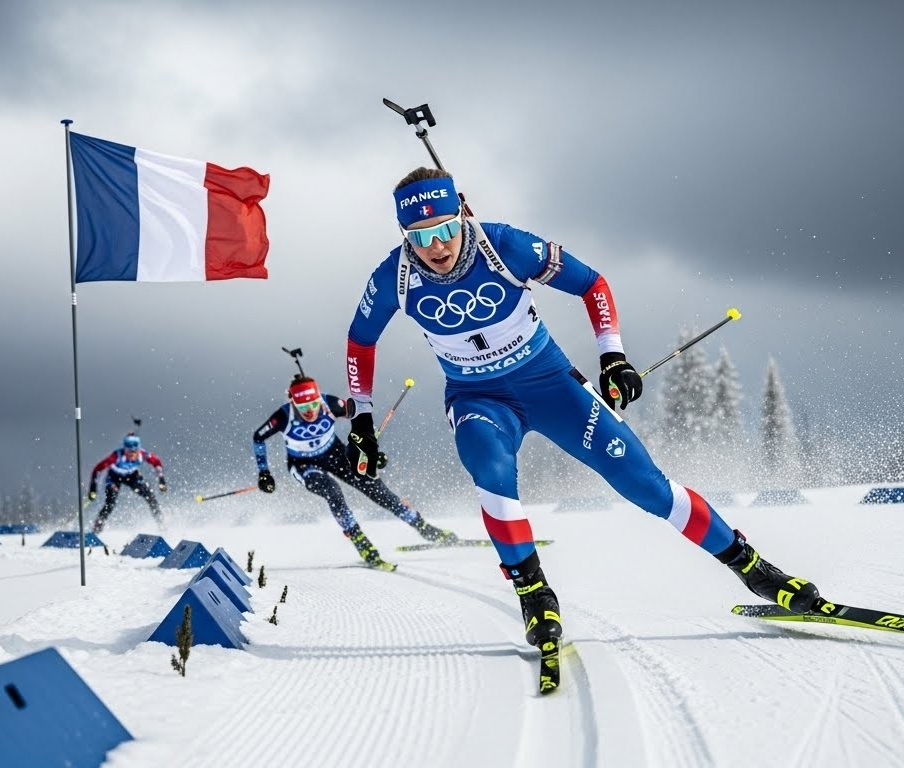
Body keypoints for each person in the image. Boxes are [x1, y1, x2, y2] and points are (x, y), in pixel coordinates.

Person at [345, 168, 822, 649]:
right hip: (479, 398)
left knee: (645, 485)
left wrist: (612, 356)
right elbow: (360, 341)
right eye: (420, 236)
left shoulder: (505, 245)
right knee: (490, 468)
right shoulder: (394, 277)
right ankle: (535, 597)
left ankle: (755, 570)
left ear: (462, 215)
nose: (436, 246)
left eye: (446, 228)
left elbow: (592, 284)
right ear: (405, 235)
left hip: (551, 386)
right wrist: (362, 419)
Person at [252, 374, 460, 570]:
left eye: (313, 404)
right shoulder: (283, 416)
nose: (310, 411)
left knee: (375, 488)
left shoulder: (330, 404)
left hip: (335, 454)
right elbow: (258, 437)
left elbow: (360, 416)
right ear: (293, 402)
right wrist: (264, 473)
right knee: (332, 491)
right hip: (303, 464)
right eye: (303, 406)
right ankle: (359, 540)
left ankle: (423, 527)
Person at [87, 433, 166, 533]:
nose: (132, 455)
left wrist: (161, 479)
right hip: (114, 478)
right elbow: (97, 469)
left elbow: (157, 463)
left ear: (139, 449)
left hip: (131, 476)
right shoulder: (116, 456)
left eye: (135, 451)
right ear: (125, 450)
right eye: (129, 451)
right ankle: (97, 527)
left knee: (150, 496)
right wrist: (93, 488)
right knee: (110, 503)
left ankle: (161, 523)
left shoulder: (143, 454)